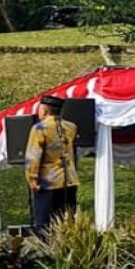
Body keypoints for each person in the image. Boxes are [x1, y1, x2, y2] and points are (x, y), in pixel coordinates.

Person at [25, 94, 79, 240]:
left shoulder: (40, 128)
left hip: (47, 182)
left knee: (44, 223)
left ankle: (46, 254)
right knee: (66, 221)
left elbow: (33, 156)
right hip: (70, 181)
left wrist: (32, 180)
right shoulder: (71, 127)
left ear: (44, 110)